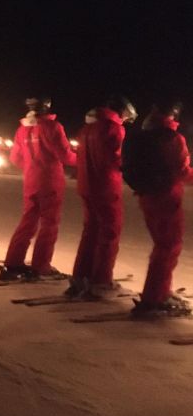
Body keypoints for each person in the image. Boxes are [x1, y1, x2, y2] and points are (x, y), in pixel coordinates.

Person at [123, 102, 193, 316]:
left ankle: (160, 291)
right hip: (166, 197)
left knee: (162, 245)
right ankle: (154, 298)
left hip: (147, 195)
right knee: (168, 247)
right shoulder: (172, 138)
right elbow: (181, 171)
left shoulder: (143, 135)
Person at [67, 96, 137, 298]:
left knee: (90, 231)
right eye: (125, 117)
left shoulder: (87, 128)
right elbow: (113, 159)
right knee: (109, 233)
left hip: (86, 185)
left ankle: (81, 275)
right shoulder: (112, 128)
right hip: (105, 186)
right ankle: (101, 280)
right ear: (121, 112)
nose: (125, 121)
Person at [0, 97, 76, 280]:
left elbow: (15, 158)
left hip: (31, 180)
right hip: (50, 180)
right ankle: (41, 265)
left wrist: (30, 166)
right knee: (49, 224)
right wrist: (83, 159)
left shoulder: (22, 129)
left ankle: (13, 262)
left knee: (28, 221)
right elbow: (65, 156)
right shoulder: (53, 127)